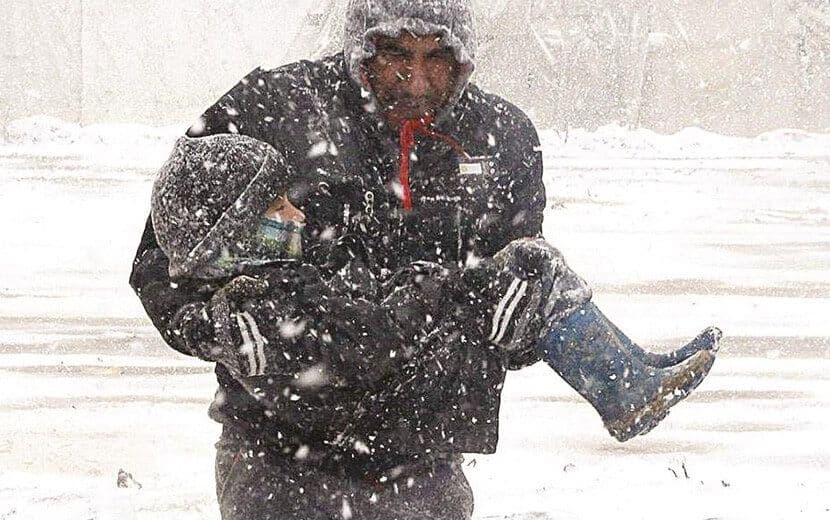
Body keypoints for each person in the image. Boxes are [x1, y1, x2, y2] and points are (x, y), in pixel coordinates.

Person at [131, 1, 720, 518]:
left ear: (464, 58)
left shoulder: (504, 137)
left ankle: (624, 382)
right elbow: (169, 249)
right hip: (279, 453)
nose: (414, 81)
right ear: (360, 47)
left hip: (425, 453)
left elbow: (505, 294)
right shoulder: (274, 106)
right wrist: (216, 327)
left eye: (437, 58)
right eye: (395, 56)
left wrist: (514, 331)